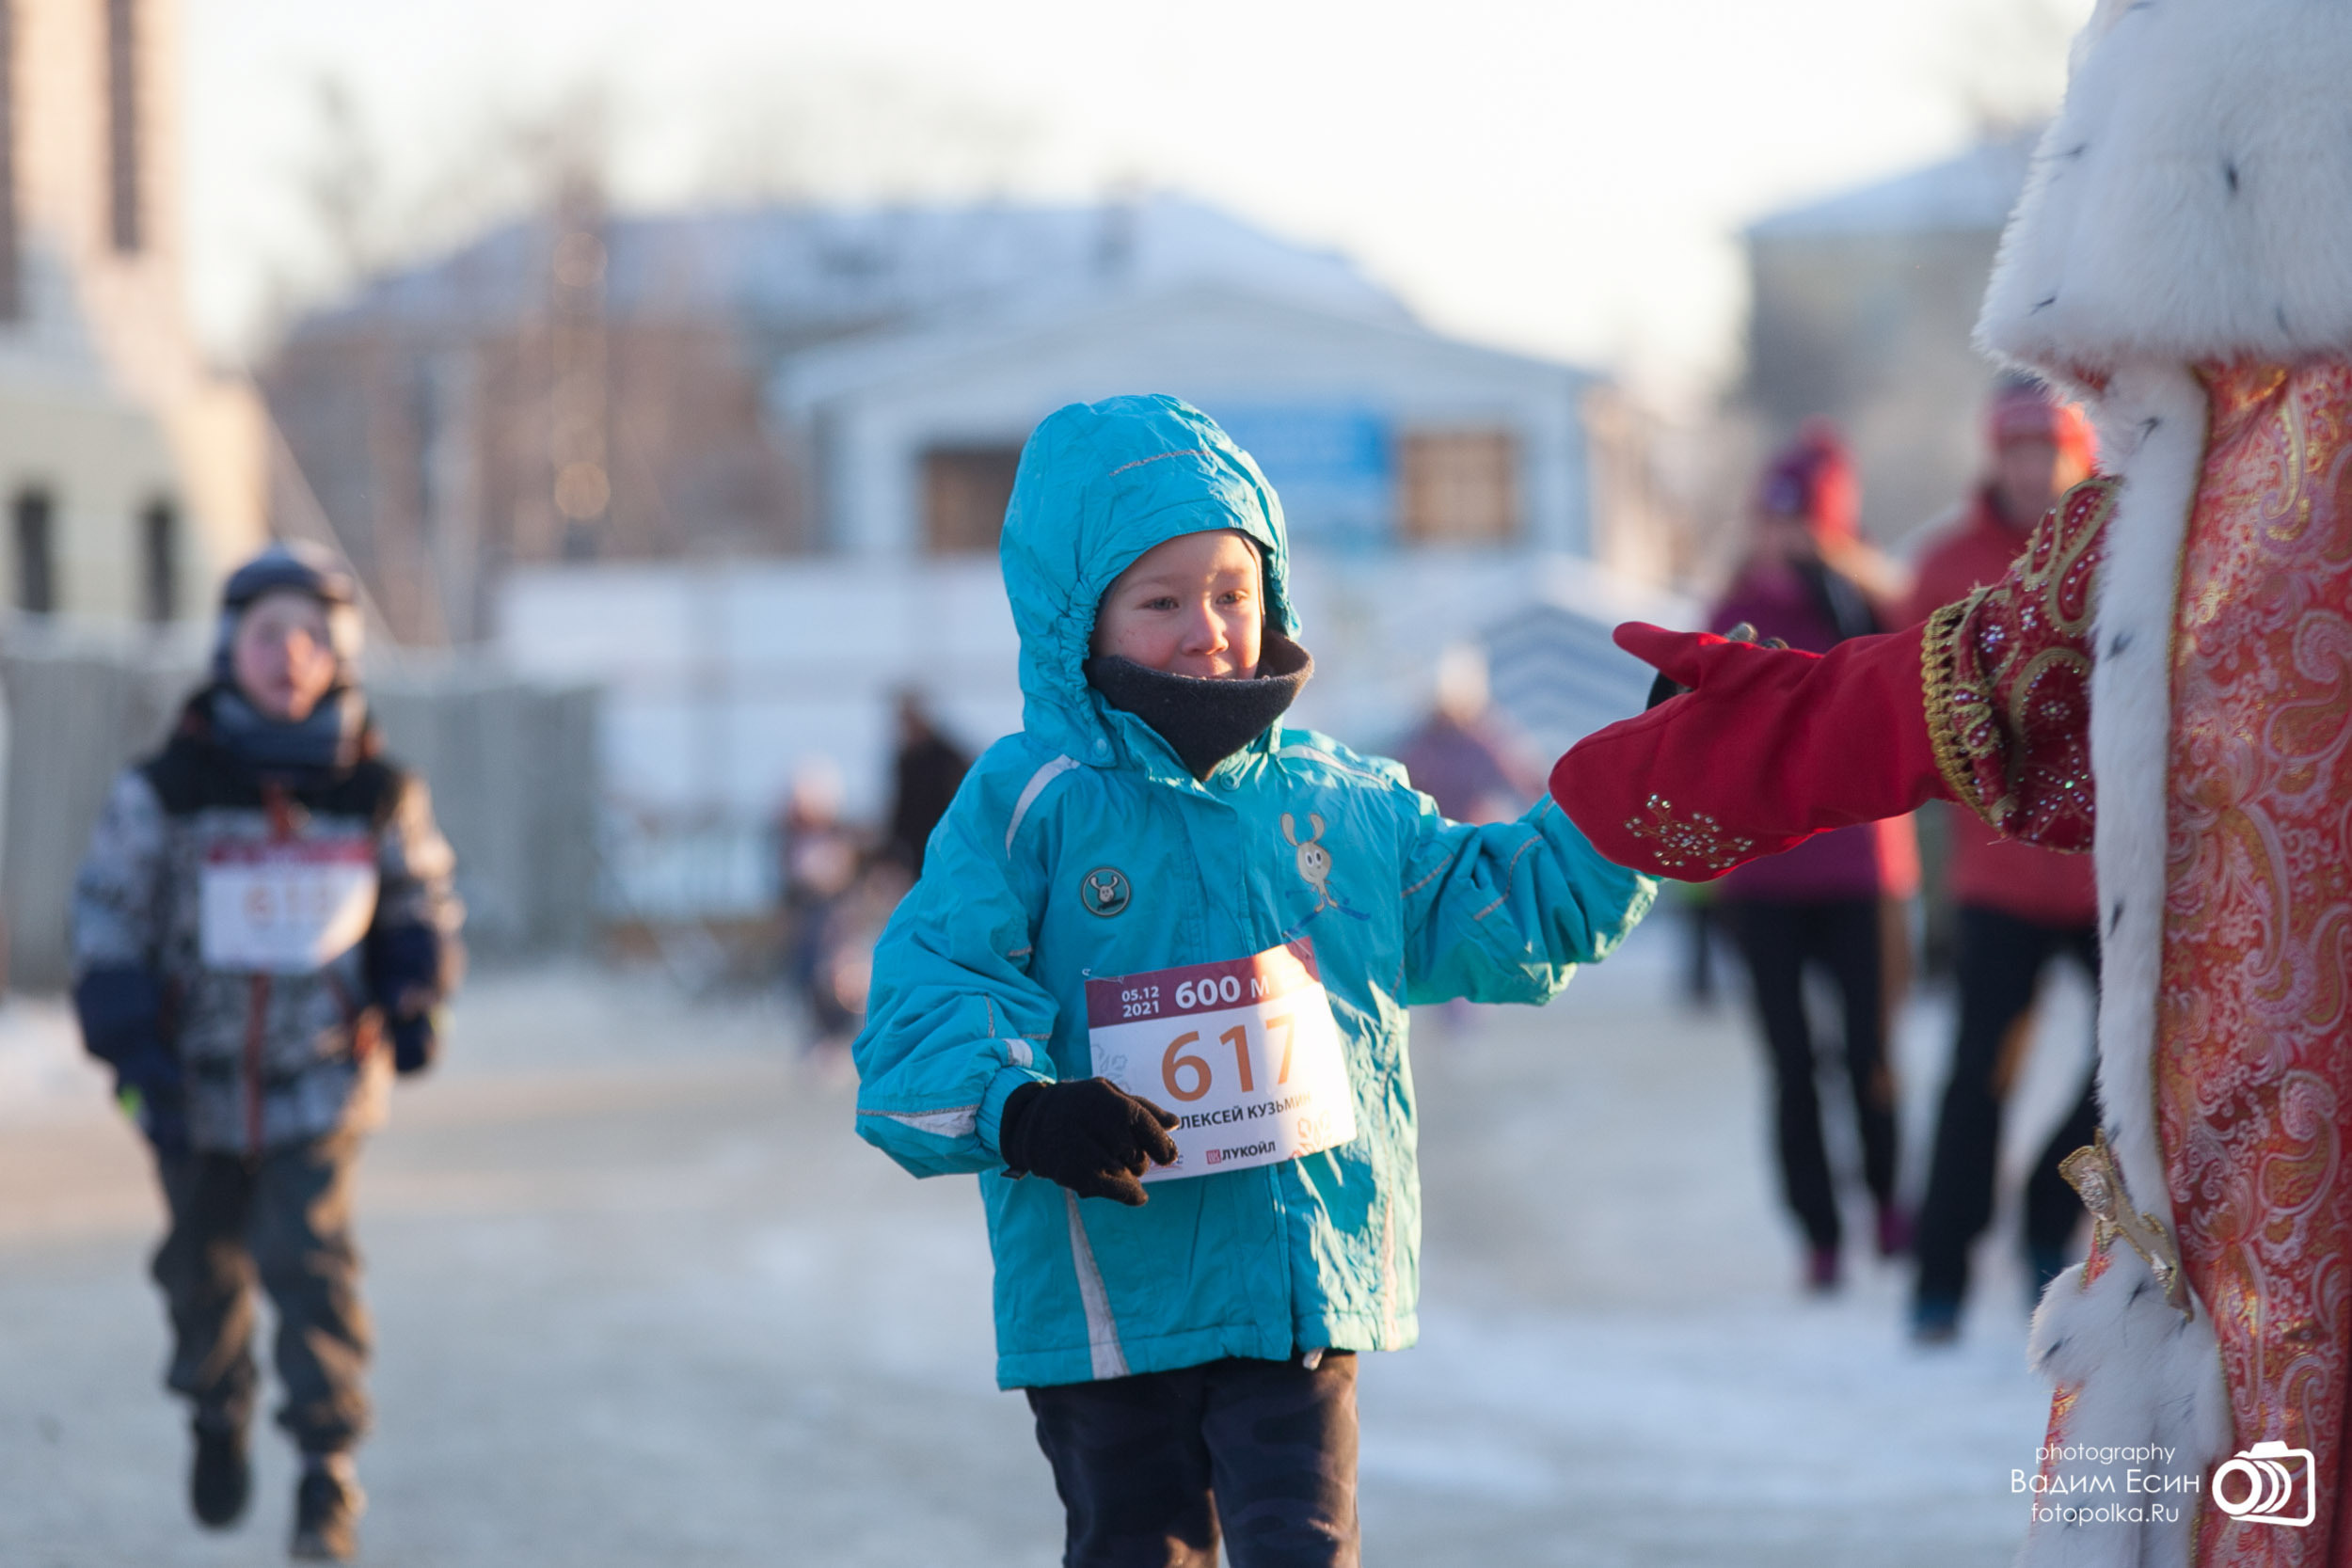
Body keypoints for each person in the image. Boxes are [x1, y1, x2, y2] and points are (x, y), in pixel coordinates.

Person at [1550, 5, 2352, 1556]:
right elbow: (1986, 667)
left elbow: (1998, 683)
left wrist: (1717, 752)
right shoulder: (2130, 507)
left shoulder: (2245, 486)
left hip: (2279, 1207)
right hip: (2019, 914)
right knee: (1929, 1079)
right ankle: (1915, 1273)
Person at [851, 393, 1654, 1568]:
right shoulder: (1029, 801)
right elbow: (931, 991)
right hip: (1112, 1302)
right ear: (1079, 617)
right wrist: (1023, 1107)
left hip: (1296, 1286)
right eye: (1161, 601)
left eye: (1231, 594)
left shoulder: (1340, 799)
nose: (1205, 631)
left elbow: (1505, 910)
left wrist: (1655, 784)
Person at [71, 543, 464, 1563]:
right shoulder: (169, 787)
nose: (288, 653)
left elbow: (419, 902)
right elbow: (109, 913)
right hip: (183, 1083)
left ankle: (326, 1466)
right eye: (265, 634)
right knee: (201, 1271)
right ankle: (215, 1401)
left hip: (324, 1074)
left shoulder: (375, 789)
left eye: (312, 636)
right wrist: (128, 1041)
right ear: (227, 648)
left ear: (339, 655)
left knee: (309, 1260)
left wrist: (414, 991)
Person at [1902, 380, 2101, 1344]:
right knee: (1977, 1074)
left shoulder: (2129, 541)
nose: (2034, 467)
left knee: (2129, 1073)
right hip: (2001, 872)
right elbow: (1905, 697)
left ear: (2074, 451)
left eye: (2049, 448)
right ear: (1997, 455)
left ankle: (2045, 1207)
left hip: (2114, 873)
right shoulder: (1950, 562)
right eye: (2017, 449)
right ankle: (1938, 1281)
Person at [1708, 423, 1917, 1293]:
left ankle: (1886, 1200)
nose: (1779, 540)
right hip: (1765, 877)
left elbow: (1917, 667)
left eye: (1797, 523)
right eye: (1768, 521)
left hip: (1862, 872)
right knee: (1792, 1065)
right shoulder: (1734, 611)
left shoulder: (1866, 599)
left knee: (1870, 1051)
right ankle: (1819, 1233)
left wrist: (1848, 584)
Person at [1392, 644, 1539, 826]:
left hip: (1467, 840)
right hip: (1448, 840)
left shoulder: (1488, 739)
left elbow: (1534, 787)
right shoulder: (1421, 747)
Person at [882, 689, 971, 877]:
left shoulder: (947, 756)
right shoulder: (905, 760)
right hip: (918, 848)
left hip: (948, 842)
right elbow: (901, 808)